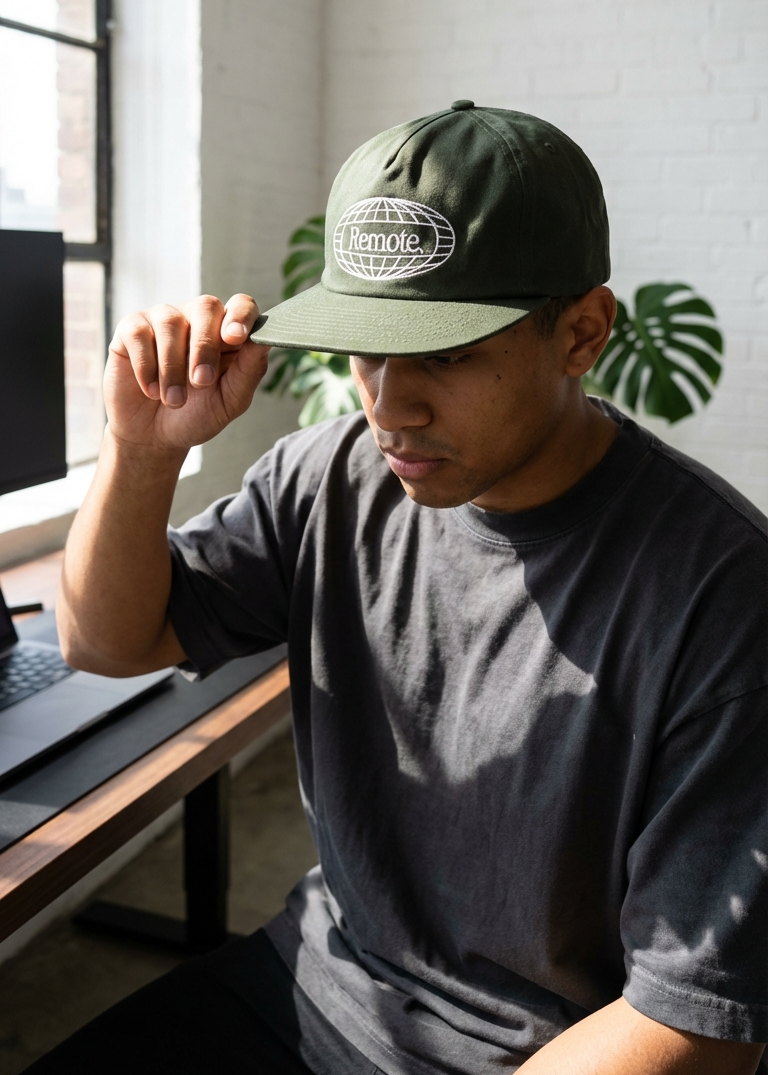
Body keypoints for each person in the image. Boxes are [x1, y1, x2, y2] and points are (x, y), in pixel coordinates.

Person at [36, 105, 765, 1074]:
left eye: (447, 354)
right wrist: (139, 451)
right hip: (321, 982)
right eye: (366, 346)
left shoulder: (724, 596)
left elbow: (692, 1025)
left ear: (583, 332)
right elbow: (106, 642)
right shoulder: (327, 476)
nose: (389, 404)